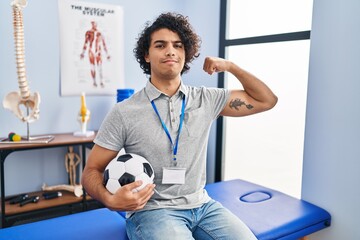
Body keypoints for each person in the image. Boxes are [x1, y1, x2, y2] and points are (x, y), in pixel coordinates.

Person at [82, 12, 277, 240]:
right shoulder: (124, 112)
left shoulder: (206, 99)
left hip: (203, 206)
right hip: (153, 212)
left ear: (186, 53)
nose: (171, 51)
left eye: (178, 45)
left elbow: (266, 100)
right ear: (146, 54)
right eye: (160, 45)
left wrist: (231, 66)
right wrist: (111, 200)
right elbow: (91, 171)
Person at [80, 21, 110, 87]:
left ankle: (101, 81)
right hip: (91, 51)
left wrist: (107, 54)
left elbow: (104, 44)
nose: (94, 25)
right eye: (93, 23)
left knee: (100, 67)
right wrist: (83, 53)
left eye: (95, 23)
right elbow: (86, 43)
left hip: (98, 52)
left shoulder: (100, 33)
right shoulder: (88, 32)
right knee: (92, 67)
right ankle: (94, 81)